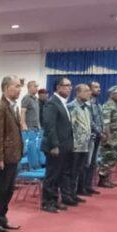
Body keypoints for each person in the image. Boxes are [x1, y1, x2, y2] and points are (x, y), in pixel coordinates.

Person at [0, 75, 24, 232]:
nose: (19, 89)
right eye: (16, 86)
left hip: (13, 156)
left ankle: (2, 218)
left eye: (19, 86)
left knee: (8, 190)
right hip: (4, 158)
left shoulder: (12, 106)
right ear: (5, 88)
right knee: (0, 190)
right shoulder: (0, 107)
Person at [40, 77, 75, 213]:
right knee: (52, 175)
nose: (70, 88)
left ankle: (54, 200)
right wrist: (54, 145)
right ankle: (47, 202)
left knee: (59, 175)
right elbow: (50, 126)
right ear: (58, 87)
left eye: (70, 85)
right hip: (55, 146)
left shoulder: (62, 102)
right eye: (66, 85)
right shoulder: (52, 103)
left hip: (64, 145)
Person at [67, 84, 93, 204]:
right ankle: (68, 195)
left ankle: (74, 193)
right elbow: (70, 126)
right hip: (75, 145)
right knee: (72, 171)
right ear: (78, 93)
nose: (89, 93)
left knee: (79, 171)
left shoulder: (86, 108)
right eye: (86, 91)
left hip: (84, 145)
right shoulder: (72, 106)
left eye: (89, 91)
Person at [81, 81, 104, 196]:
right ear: (90, 90)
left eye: (99, 87)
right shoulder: (87, 104)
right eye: (96, 87)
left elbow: (101, 120)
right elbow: (90, 121)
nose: (99, 89)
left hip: (97, 137)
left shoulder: (98, 104)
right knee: (87, 163)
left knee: (93, 163)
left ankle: (88, 186)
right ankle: (82, 187)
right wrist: (99, 132)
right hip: (90, 137)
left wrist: (102, 132)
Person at [99, 86, 117, 188]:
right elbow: (106, 123)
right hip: (110, 138)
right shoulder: (108, 106)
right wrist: (108, 138)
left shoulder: (114, 105)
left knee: (112, 158)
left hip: (115, 138)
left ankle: (106, 178)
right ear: (111, 94)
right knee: (107, 158)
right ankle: (102, 180)